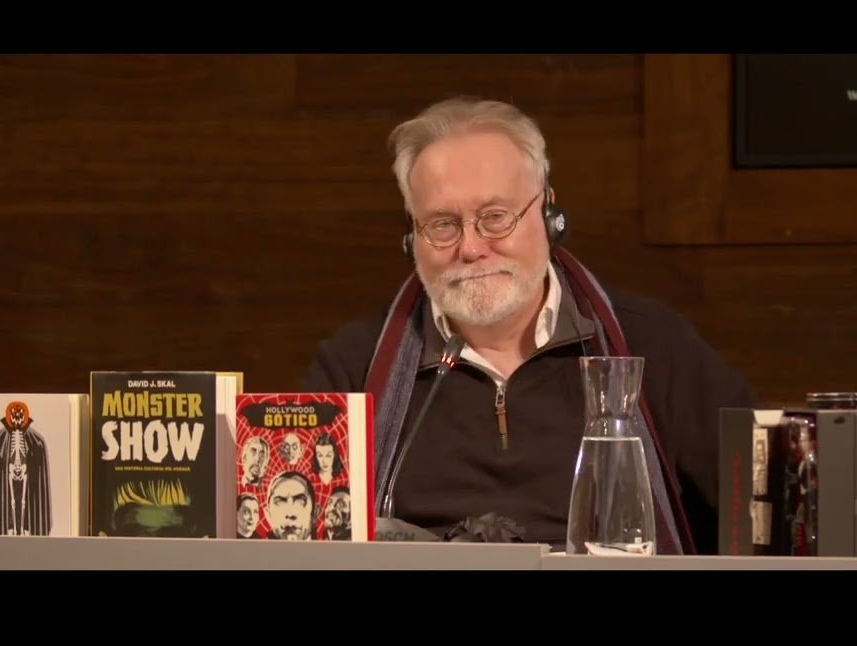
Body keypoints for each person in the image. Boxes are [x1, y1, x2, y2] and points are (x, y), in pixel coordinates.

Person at [300, 96, 756, 554]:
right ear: (411, 238)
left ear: (549, 214)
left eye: (495, 218)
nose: (471, 249)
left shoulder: (655, 346)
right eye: (442, 224)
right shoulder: (352, 368)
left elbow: (759, 520)